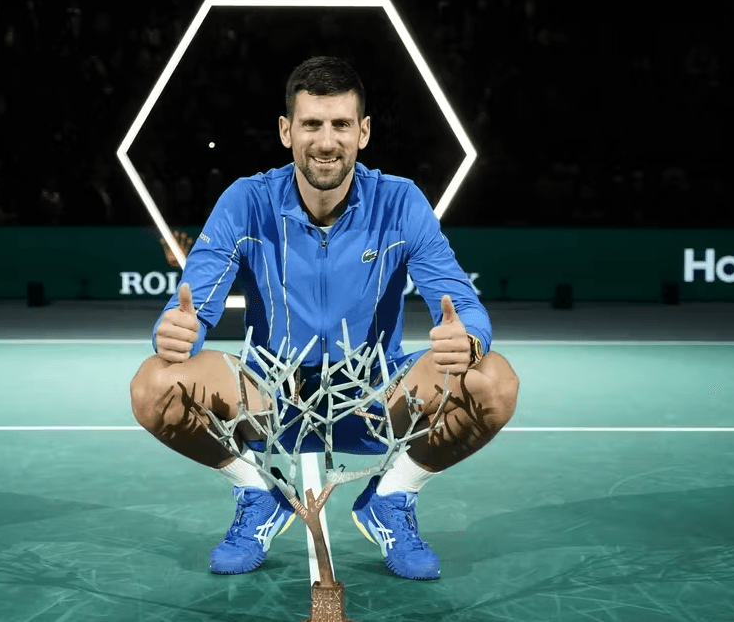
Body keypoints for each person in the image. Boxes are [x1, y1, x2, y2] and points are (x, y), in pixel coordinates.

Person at [130, 56, 519, 580]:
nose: (326, 141)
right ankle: (257, 492)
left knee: (494, 382)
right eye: (311, 124)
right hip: (270, 402)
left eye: (341, 124)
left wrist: (467, 338)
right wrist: (179, 331)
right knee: (153, 386)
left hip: (375, 399)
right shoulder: (245, 201)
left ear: (363, 132)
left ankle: (392, 496)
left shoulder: (401, 202)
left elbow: (462, 304)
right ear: (286, 131)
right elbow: (191, 306)